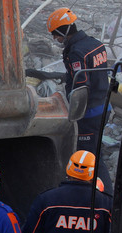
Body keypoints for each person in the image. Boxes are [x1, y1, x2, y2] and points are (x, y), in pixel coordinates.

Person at [47, 7, 113, 194]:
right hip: (104, 107)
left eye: (55, 35)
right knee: (95, 152)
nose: (55, 39)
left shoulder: (75, 53)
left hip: (89, 113)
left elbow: (81, 86)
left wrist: (74, 113)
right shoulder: (96, 43)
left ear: (64, 31)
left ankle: (105, 196)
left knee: (89, 157)